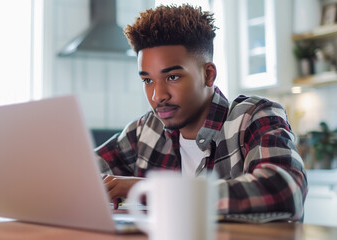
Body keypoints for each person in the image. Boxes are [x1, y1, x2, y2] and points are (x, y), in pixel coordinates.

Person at [95, 4, 307, 221]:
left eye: (172, 77)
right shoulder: (145, 130)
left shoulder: (253, 117)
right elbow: (83, 172)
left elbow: (283, 190)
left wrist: (153, 190)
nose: (158, 96)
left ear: (208, 74)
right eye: (148, 80)